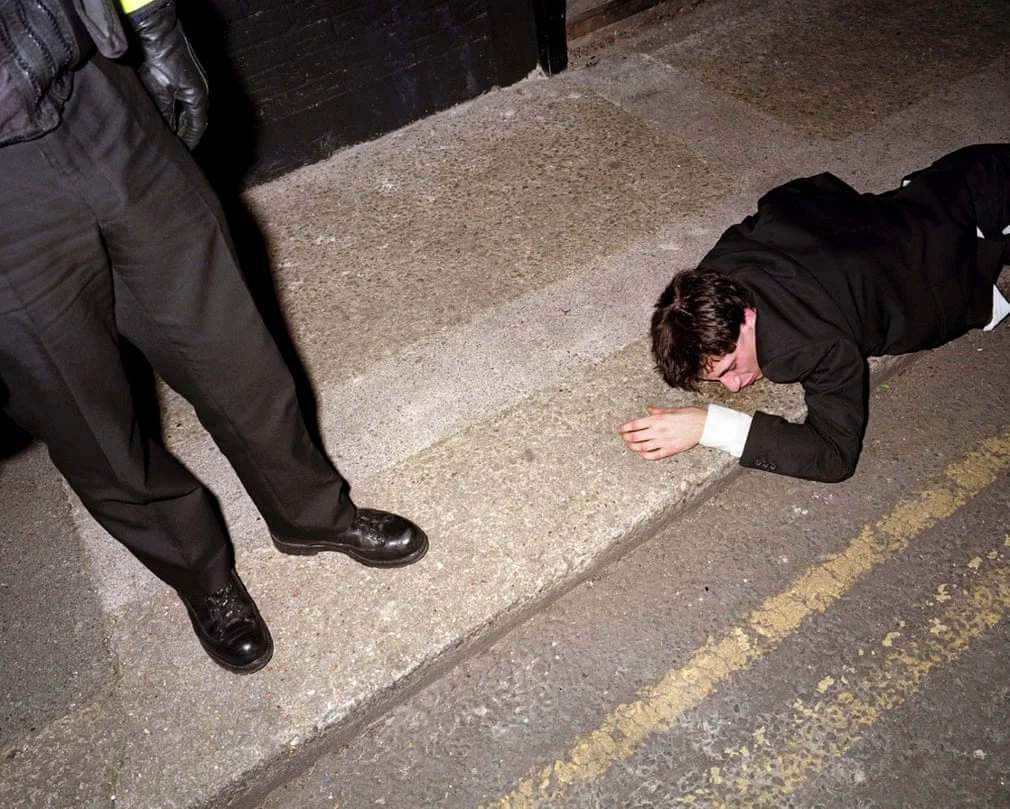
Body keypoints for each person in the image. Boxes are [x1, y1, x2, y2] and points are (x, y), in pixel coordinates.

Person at [0, 0, 427, 674]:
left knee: (236, 349)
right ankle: (203, 575)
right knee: (91, 425)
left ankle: (309, 510)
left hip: (93, 93)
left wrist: (153, 23)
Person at [619, 144, 1010, 483]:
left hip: (978, 224)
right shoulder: (724, 265)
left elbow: (834, 456)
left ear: (748, 316)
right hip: (951, 181)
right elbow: (803, 192)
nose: (735, 386)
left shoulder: (808, 343)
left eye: (730, 367)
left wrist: (708, 425)